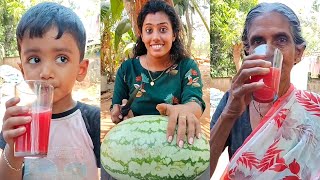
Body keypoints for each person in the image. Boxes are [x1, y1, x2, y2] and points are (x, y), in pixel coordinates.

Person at [210, 2, 320, 179]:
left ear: (298, 53)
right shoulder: (232, 102)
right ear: (249, 51)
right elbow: (201, 172)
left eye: (281, 40)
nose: (269, 51)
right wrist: (229, 114)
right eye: (258, 41)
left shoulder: (315, 111)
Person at [0, 2, 100, 179]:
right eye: (34, 59)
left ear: (81, 69)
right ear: (22, 70)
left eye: (62, 58)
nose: (45, 73)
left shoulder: (92, 120)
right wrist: (12, 151)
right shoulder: (20, 121)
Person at [111, 0, 205, 148]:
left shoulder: (187, 67)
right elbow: (115, 107)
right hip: (135, 146)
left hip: (175, 146)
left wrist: (184, 110)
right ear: (141, 35)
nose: (155, 37)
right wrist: (118, 114)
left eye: (163, 29)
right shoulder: (127, 69)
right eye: (149, 30)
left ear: (174, 34)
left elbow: (196, 103)